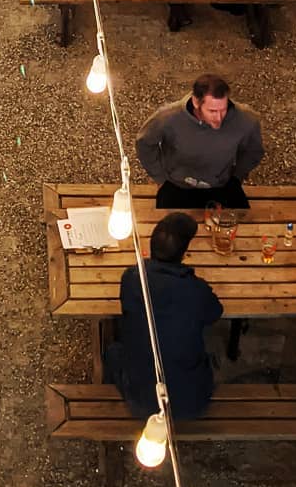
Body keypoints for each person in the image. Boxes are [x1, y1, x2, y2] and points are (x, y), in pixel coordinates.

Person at [103, 213, 224, 420]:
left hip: (141, 401)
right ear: (183, 254)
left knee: (114, 351)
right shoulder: (196, 290)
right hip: (192, 402)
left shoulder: (132, 279)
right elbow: (215, 313)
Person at [136, 73, 265, 210]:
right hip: (176, 185)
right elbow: (145, 143)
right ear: (196, 102)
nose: (219, 118)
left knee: (242, 220)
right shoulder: (168, 118)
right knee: (171, 223)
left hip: (222, 185)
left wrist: (237, 176)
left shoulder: (246, 119)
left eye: (223, 110)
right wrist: (160, 178)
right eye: (212, 111)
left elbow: (254, 150)